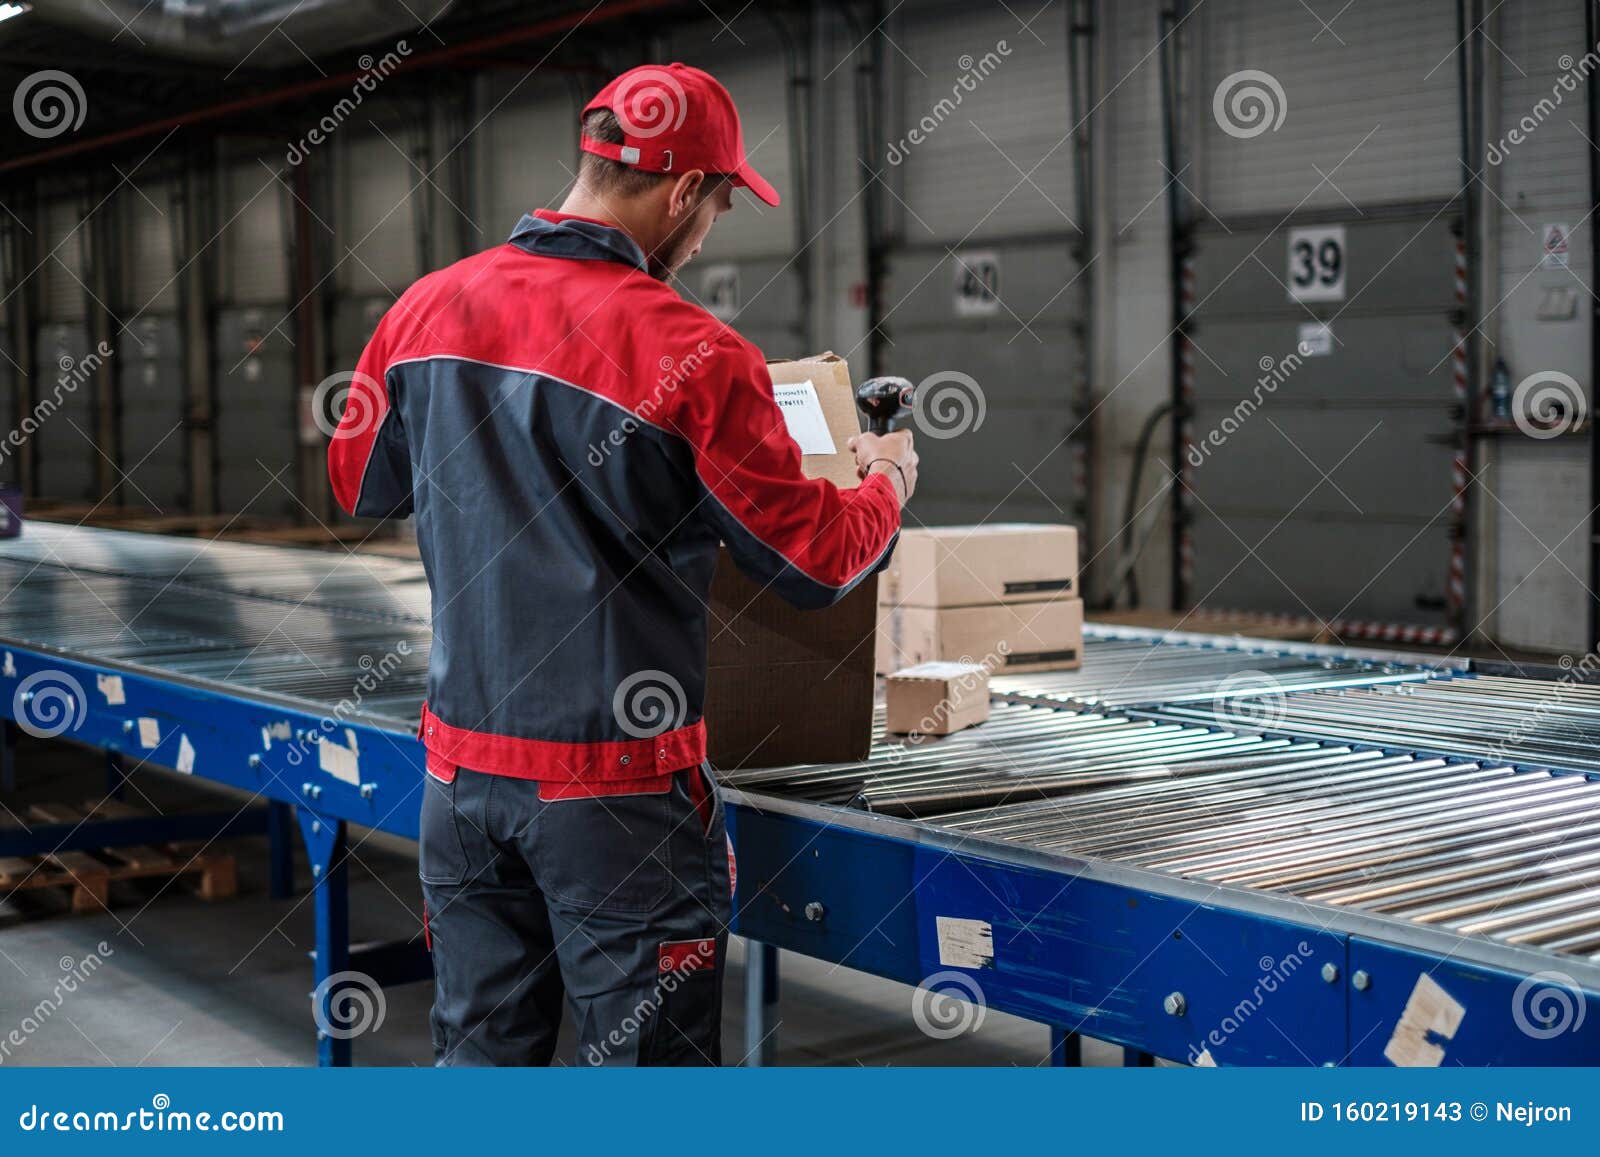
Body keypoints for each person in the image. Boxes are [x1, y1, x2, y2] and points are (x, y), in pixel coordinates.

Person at [328, 62, 918, 1066]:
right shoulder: (693, 351)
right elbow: (812, 564)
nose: (712, 227)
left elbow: (359, 487)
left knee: (478, 1057)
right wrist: (887, 483)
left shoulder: (422, 310)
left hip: (461, 777)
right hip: (620, 802)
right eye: (721, 201)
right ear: (683, 191)